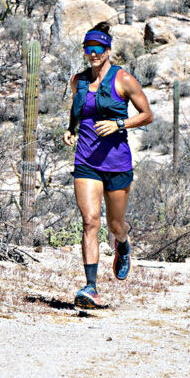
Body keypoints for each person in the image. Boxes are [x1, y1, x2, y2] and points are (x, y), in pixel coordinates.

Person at [62, 22, 153, 309]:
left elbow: (147, 115)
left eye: (99, 49)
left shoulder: (123, 79)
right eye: (89, 49)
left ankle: (123, 243)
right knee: (90, 222)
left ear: (108, 51)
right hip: (86, 160)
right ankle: (90, 287)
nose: (93, 54)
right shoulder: (78, 80)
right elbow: (77, 107)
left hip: (116, 162)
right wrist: (71, 129)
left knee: (114, 224)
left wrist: (118, 124)